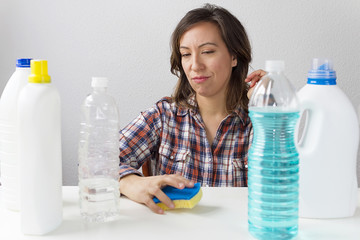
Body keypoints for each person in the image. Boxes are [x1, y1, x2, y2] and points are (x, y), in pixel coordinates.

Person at [118, 4, 266, 214]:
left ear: (235, 56)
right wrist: (130, 182)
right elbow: (96, 162)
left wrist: (272, 108)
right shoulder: (164, 116)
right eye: (186, 54)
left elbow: (291, 184)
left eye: (207, 52)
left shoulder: (258, 121)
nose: (195, 65)